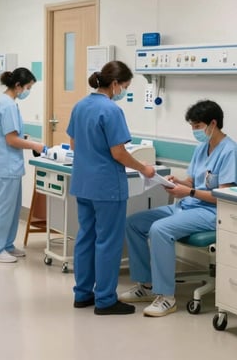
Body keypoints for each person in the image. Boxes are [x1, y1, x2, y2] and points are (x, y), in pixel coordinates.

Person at [121, 99, 237, 317]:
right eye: (193, 127)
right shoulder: (201, 149)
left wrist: (188, 192)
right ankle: (147, 286)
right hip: (189, 205)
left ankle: (166, 297)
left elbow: (225, 197)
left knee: (160, 229)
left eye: (197, 126)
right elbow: (192, 181)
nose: (195, 131)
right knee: (133, 223)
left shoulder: (230, 152)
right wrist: (175, 182)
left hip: (212, 212)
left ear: (213, 124)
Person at [67, 61, 156, 316]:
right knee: (108, 242)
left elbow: (73, 145)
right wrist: (143, 168)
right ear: (115, 84)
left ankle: (83, 294)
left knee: (85, 238)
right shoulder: (111, 110)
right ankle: (105, 300)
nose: (124, 91)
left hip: (83, 183)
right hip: (107, 187)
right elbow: (118, 153)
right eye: (125, 86)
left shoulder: (80, 105)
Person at [0, 68, 47, 263]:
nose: (28, 91)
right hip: (5, 165)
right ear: (18, 86)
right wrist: (35, 145)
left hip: (7, 164)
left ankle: (7, 245)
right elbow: (11, 140)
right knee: (3, 208)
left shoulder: (4, 102)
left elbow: (11, 135)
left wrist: (26, 140)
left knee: (11, 208)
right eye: (28, 87)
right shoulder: (8, 106)